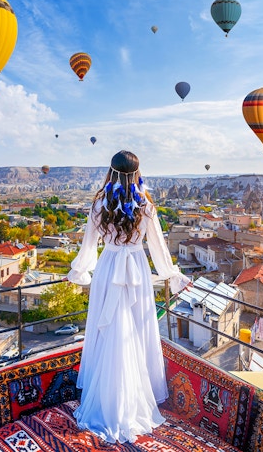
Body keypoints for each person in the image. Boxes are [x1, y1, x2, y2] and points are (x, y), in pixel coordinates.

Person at [67, 150, 190, 444]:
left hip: (109, 269)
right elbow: (158, 247)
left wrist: (79, 271)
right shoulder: (145, 205)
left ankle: (106, 398)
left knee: (107, 328)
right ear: (137, 173)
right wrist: (171, 275)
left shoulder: (99, 203)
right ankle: (135, 399)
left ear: (110, 172)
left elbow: (88, 245)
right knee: (135, 330)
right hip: (136, 271)